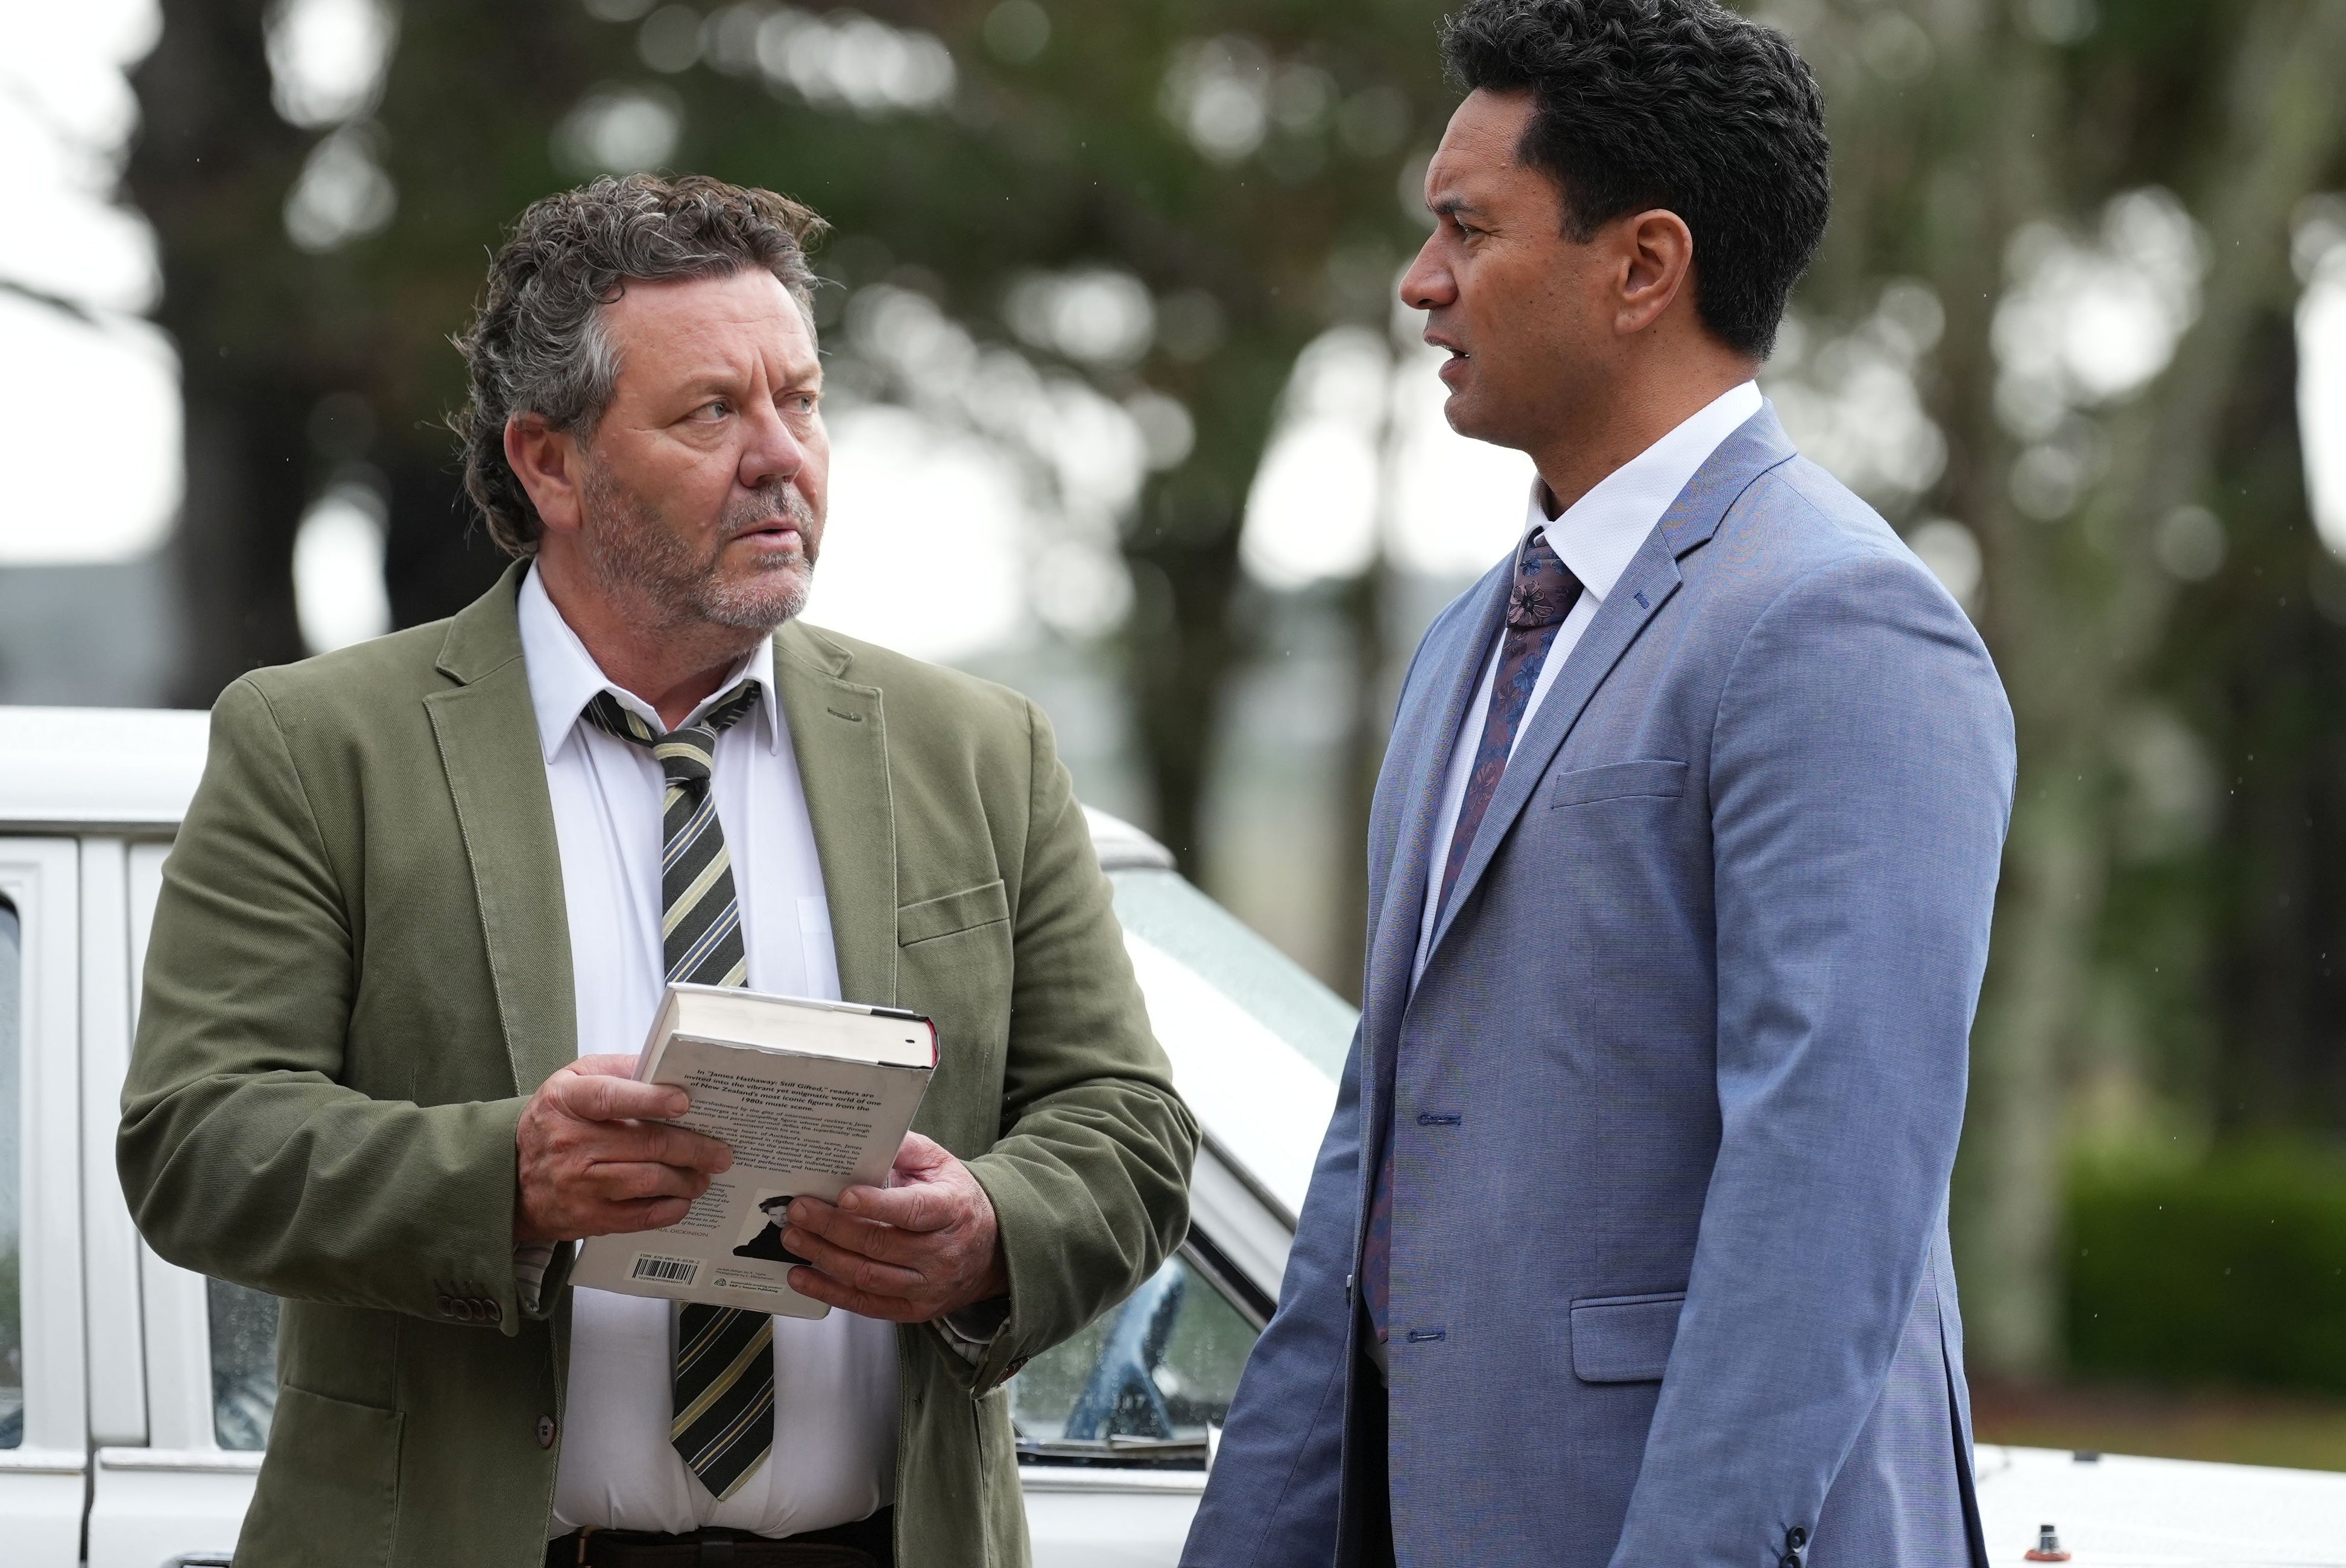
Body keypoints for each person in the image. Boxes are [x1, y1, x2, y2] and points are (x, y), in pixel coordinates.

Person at [119, 174, 1198, 1568]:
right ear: (549, 463)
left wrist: (991, 1228)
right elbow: (198, 1141)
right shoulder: (322, 746)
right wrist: (509, 1178)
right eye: (711, 413)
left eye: (801, 400)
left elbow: (1129, 1126)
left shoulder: (980, 750)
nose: (781, 457)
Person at [1184, 4, 2012, 1566]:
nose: (1419, 282)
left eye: (1466, 229)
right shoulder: (1468, 644)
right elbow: (1370, 1167)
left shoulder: (1837, 622)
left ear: (1642, 267)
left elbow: (1828, 1190)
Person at [736, 1195, 813, 1264]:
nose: (780, 1219)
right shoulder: (773, 1226)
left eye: (785, 1214)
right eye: (774, 1215)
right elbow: (758, 1244)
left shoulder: (805, 1228)